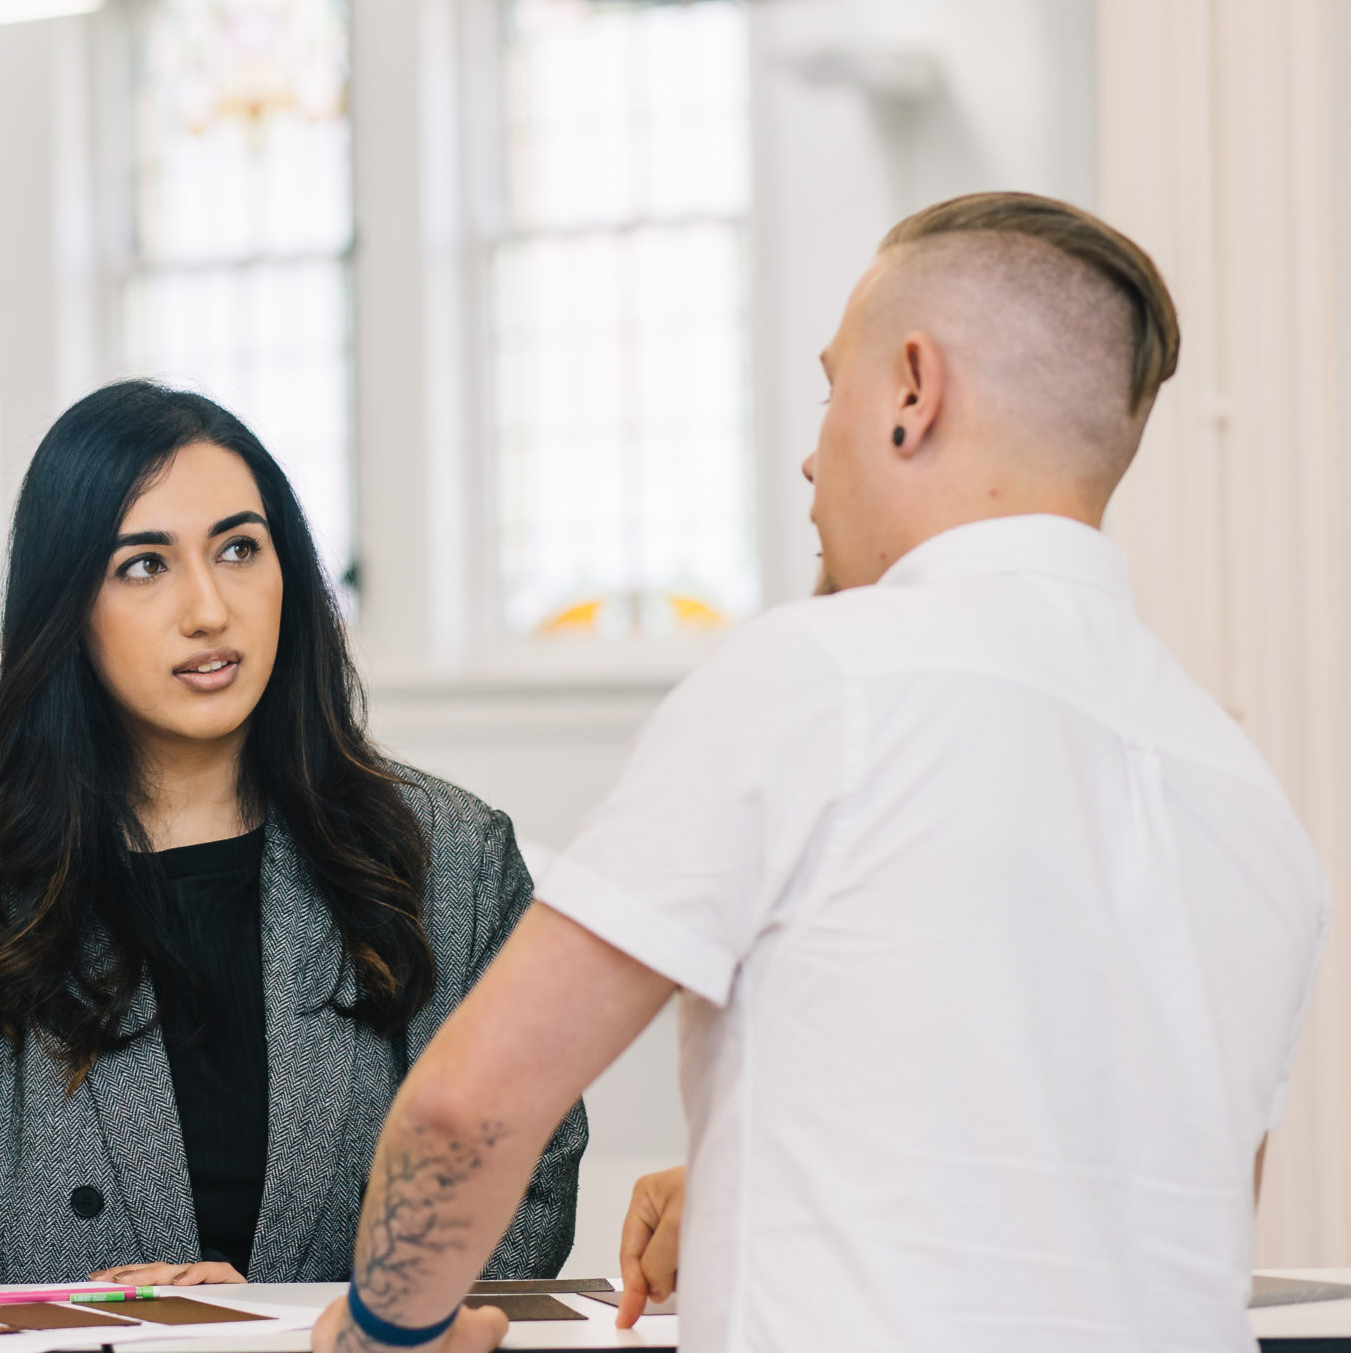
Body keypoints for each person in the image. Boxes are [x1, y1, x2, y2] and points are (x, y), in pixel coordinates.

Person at [314, 192, 1328, 1353]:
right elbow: (1140, 1219)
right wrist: (761, 1175)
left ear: (911, 389)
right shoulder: (1248, 802)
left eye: (828, 387)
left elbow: (466, 1112)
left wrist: (383, 1334)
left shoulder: (817, 679)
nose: (810, 453)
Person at [0, 382, 585, 1321]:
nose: (208, 609)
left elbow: (518, 1160)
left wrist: (308, 1316)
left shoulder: (450, 854)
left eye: (239, 549)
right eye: (144, 565)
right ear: (66, 603)